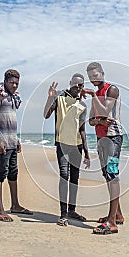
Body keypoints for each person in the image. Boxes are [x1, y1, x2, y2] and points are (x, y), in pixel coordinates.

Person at [81, 62, 124, 235]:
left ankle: (111, 222)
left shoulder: (111, 90)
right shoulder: (96, 94)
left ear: (102, 73)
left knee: (112, 175)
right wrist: (99, 121)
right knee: (107, 174)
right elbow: (91, 121)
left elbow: (106, 111)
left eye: (95, 75)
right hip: (101, 138)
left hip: (113, 137)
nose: (93, 79)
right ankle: (118, 215)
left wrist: (93, 96)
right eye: (90, 77)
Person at [43, 73, 90, 225]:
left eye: (81, 85)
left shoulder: (82, 105)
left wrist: (87, 152)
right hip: (62, 143)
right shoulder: (59, 97)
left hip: (77, 146)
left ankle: (72, 210)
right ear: (70, 83)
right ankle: (63, 214)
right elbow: (46, 115)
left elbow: (82, 129)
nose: (78, 87)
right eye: (76, 84)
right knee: (64, 175)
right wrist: (50, 97)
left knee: (75, 178)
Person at [0, 69, 33, 222]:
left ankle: (15, 205)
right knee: (1, 172)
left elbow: (11, 120)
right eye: (11, 82)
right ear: (5, 81)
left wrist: (17, 140)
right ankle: (0, 210)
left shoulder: (14, 97)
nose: (14, 85)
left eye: (16, 83)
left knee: (13, 172)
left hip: (13, 141)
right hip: (2, 142)